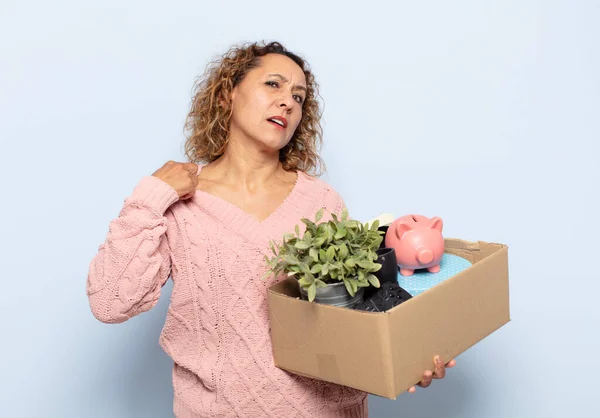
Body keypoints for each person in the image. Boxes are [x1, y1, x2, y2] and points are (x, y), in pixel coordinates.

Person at [86, 40, 456, 418]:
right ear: (227, 95)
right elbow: (110, 301)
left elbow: (352, 321)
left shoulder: (321, 203)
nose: (288, 102)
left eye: (299, 96)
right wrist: (151, 196)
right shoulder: (178, 202)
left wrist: (406, 358)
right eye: (273, 85)